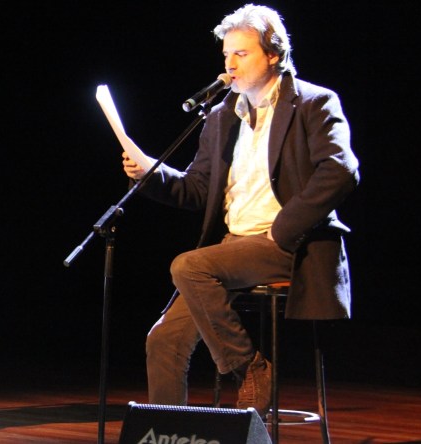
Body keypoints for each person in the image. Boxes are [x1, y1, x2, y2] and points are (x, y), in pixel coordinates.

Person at [121, 4, 359, 417]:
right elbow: (196, 189)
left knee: (189, 266)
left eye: (241, 54)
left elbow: (341, 171)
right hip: (235, 250)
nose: (229, 64)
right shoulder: (220, 117)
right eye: (226, 54)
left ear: (273, 54)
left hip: (289, 244)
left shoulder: (313, 103)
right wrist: (148, 174)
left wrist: (283, 230)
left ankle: (250, 369)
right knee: (163, 340)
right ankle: (167, 434)